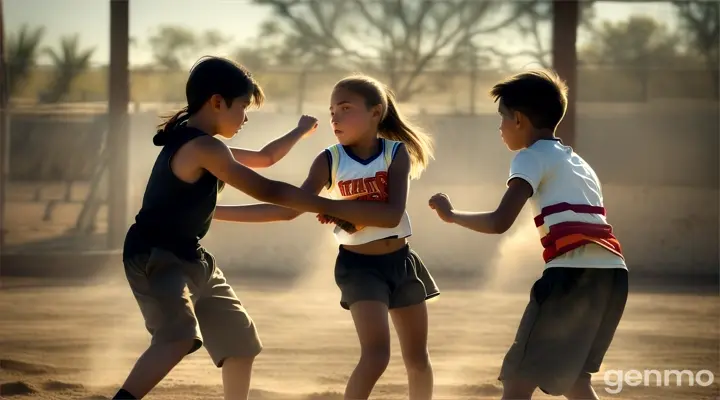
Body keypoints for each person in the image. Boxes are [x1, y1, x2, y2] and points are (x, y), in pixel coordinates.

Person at [115, 56, 341, 400]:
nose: (246, 117)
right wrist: (330, 205)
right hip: (156, 255)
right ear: (217, 102)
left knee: (239, 341)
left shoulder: (202, 142)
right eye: (243, 106)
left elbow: (266, 158)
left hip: (190, 256)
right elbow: (269, 190)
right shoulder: (204, 147)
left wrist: (298, 131)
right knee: (177, 337)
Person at [214, 75, 439, 400]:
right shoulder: (330, 159)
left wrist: (330, 207)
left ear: (376, 113)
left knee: (418, 360)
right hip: (360, 268)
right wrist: (215, 212)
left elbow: (391, 215)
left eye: (346, 108)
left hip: (402, 262)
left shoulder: (395, 154)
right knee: (376, 356)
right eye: (332, 110)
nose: (335, 117)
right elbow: (289, 209)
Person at [428, 69, 628, 400]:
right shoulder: (580, 164)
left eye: (502, 119)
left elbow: (499, 221)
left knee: (519, 379)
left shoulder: (530, 156)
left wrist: (452, 216)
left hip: (570, 277)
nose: (500, 128)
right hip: (613, 278)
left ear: (519, 119)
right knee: (576, 380)